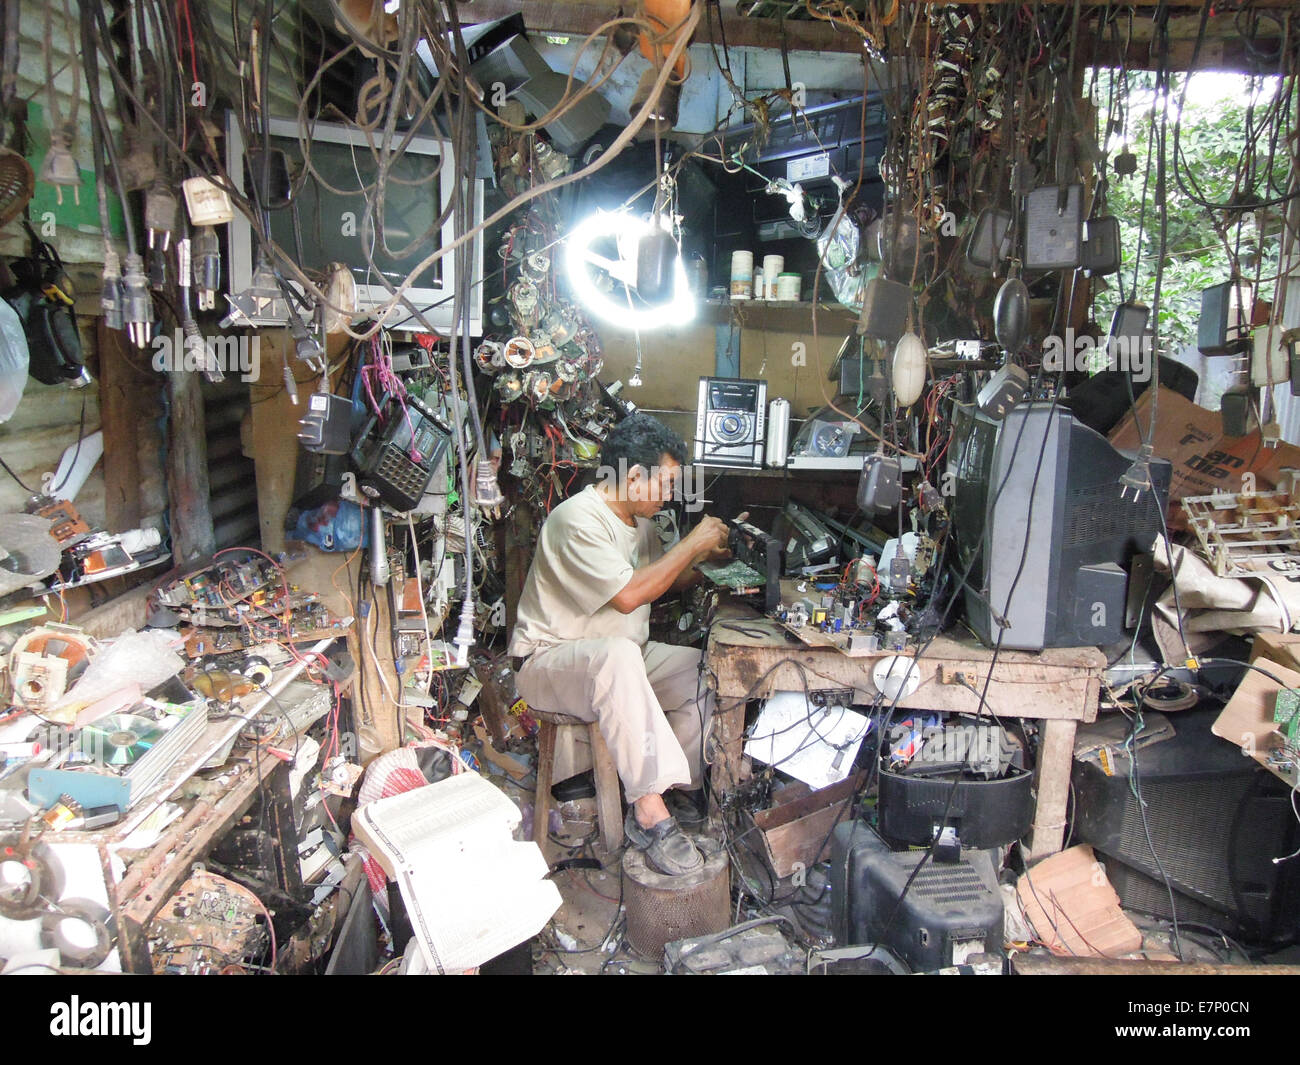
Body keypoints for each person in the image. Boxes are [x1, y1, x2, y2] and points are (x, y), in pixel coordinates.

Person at [509, 413, 730, 876]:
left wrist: (707, 559)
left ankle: (676, 787)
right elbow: (630, 595)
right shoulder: (575, 520)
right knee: (619, 656)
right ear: (633, 476)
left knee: (704, 671)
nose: (669, 494)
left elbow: (656, 583)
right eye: (665, 483)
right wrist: (691, 543)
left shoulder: (640, 524)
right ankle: (649, 814)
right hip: (551, 661)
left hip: (618, 657)